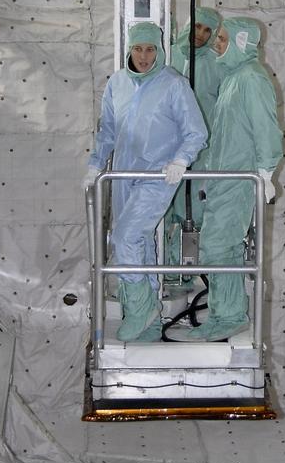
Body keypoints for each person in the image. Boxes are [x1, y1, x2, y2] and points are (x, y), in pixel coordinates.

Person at [86, 21, 207, 342]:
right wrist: (95, 164)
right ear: (129, 50)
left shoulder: (173, 84)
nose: (143, 56)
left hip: (159, 175)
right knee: (138, 241)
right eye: (138, 49)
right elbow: (108, 131)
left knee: (125, 238)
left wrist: (181, 160)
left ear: (160, 50)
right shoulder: (117, 83)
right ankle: (149, 319)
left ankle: (140, 309)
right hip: (124, 173)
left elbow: (196, 131)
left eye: (150, 49)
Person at [183, 17, 284, 341]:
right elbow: (225, 135)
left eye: (224, 40)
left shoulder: (252, 79)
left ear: (242, 43)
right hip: (223, 178)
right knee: (217, 247)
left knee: (218, 246)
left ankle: (228, 316)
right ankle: (222, 314)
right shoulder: (233, 79)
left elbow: (267, 130)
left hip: (240, 179)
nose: (216, 44)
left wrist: (266, 173)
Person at [164, 6, 221, 278]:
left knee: (196, 210)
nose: (201, 34)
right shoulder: (169, 55)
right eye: (198, 26)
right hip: (165, 148)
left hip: (201, 150)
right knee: (161, 208)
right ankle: (160, 271)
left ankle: (182, 272)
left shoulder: (216, 63)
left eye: (208, 30)